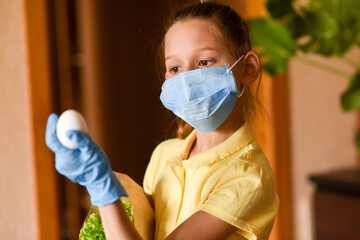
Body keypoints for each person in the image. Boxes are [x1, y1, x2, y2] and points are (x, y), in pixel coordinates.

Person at [46, 1, 279, 239]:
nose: (186, 81)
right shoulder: (164, 155)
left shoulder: (249, 177)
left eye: (204, 62)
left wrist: (103, 189)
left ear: (248, 68)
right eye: (175, 68)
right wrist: (97, 183)